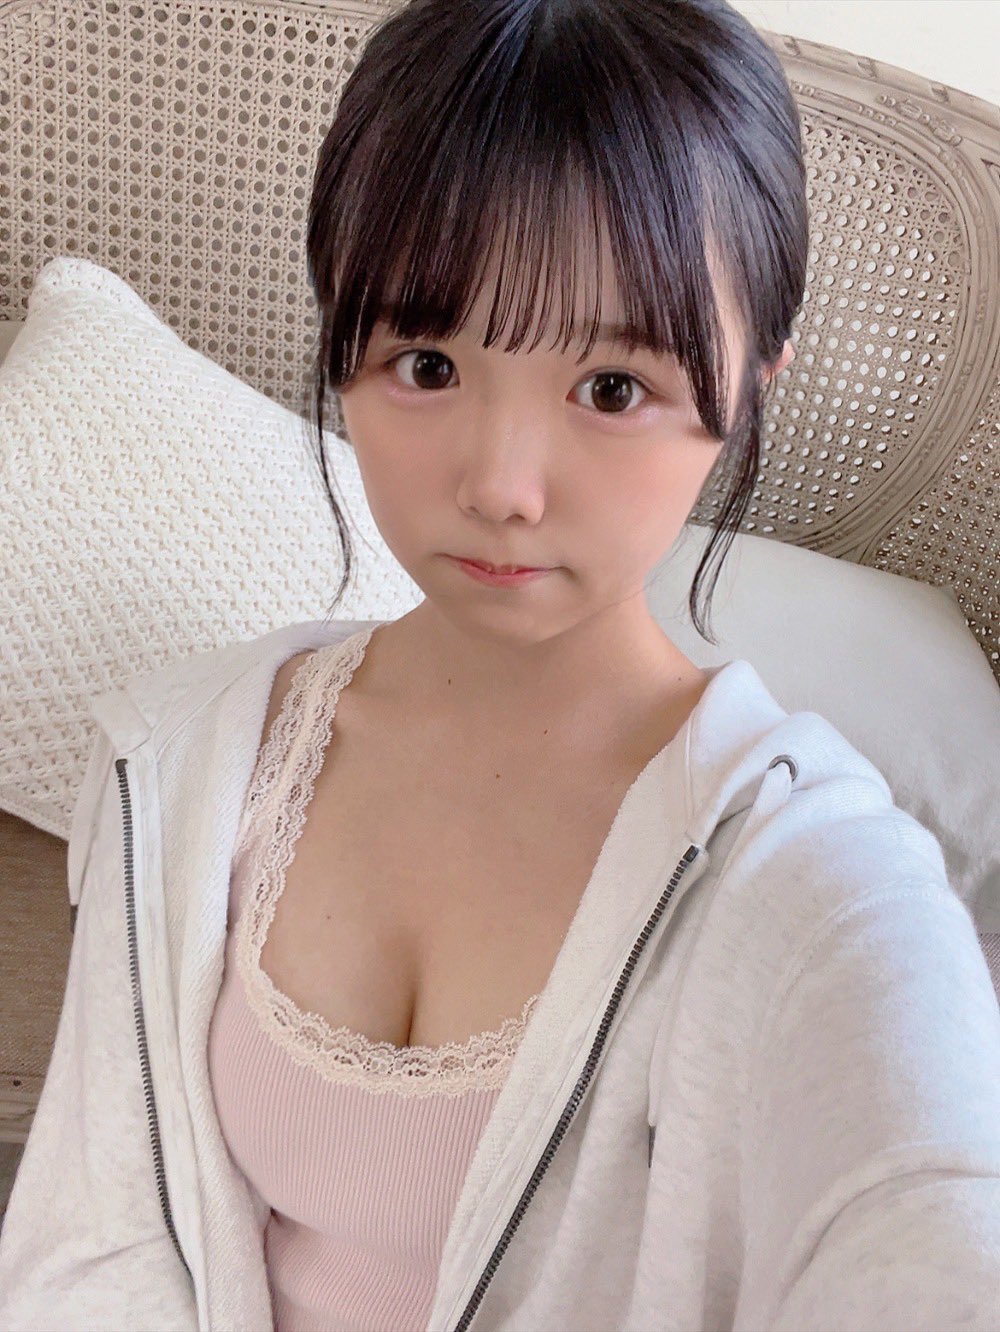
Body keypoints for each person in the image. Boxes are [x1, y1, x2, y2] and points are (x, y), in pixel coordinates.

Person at [3, 1, 1000, 1329]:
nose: (502, 487)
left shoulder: (811, 881)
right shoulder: (186, 766)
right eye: (427, 364)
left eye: (612, 389)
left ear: (753, 382)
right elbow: (89, 1248)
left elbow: (924, 1204)